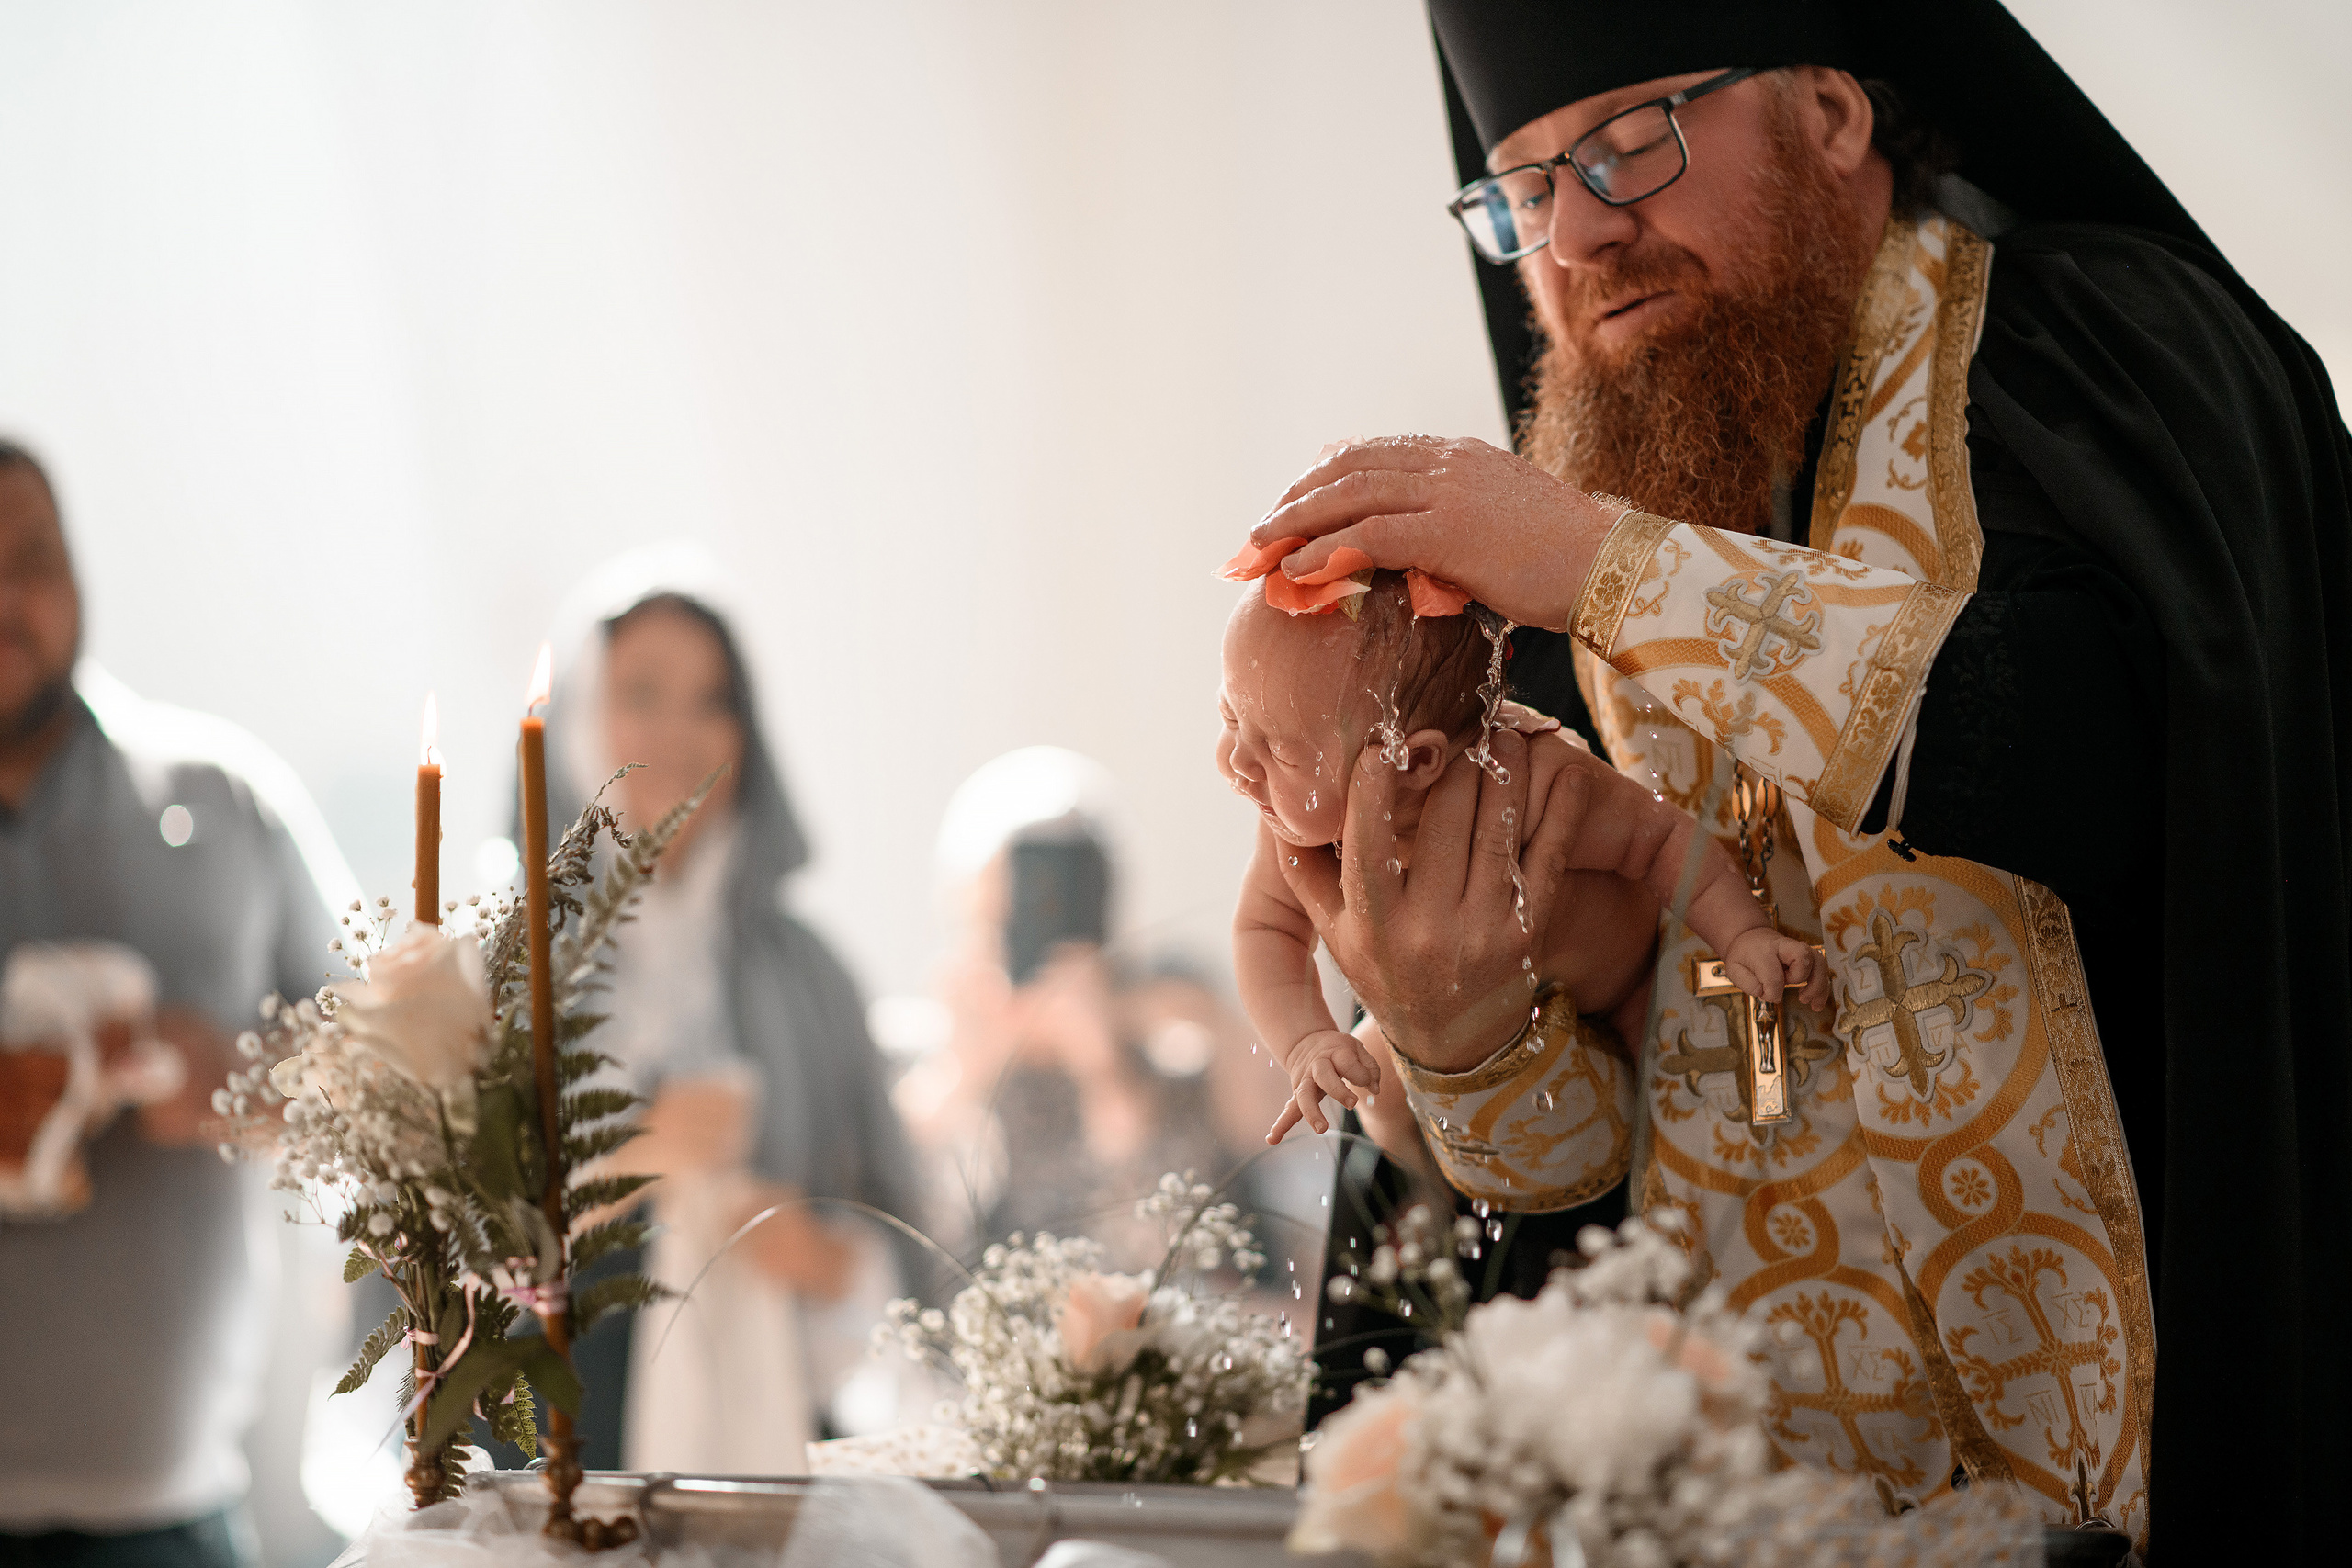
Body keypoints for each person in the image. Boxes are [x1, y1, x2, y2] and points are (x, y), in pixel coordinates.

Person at [1257, 2, 2347, 1556]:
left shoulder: (2091, 346)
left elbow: (2122, 758)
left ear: (1835, 113)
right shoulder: (1564, 536)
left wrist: (1608, 568)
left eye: (1633, 144)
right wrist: (1466, 1050)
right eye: (1528, 191)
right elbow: (1567, 1201)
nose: (1577, 232)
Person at [0, 439, 348, 1566]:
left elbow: (398, 1086)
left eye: (34, 557)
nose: (7, 596)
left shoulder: (227, 801)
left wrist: (237, 1080)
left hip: (176, 1523)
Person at [516, 548, 926, 1473]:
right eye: (643, 693)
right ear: (579, 714)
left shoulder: (811, 975)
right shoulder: (498, 965)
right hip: (543, 1465)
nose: (680, 732)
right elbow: (422, 1264)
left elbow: (905, 1240)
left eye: (714, 700)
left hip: (769, 1463)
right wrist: (633, 1163)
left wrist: (824, 1260)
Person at [1216, 562, 1825, 1165]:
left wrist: (1742, 933)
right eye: (1229, 717)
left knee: (1680, 1134)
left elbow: (1662, 839)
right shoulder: (1296, 829)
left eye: (1282, 750)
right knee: (1385, 1099)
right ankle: (1423, 1226)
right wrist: (1306, 1041)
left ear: (1415, 762)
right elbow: (1265, 930)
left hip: (1634, 981)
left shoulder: (1536, 780)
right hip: (1476, 1035)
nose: (1236, 761)